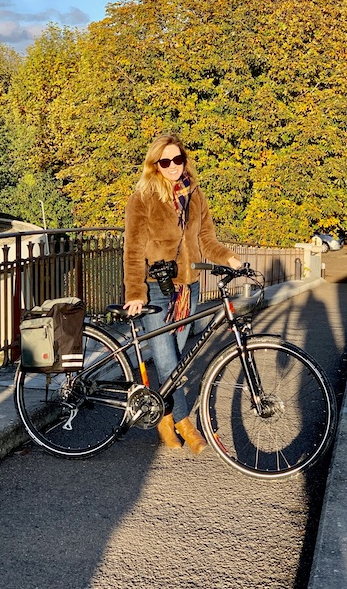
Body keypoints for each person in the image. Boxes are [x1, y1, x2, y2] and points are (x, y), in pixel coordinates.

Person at [123, 133, 242, 454]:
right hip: (156, 289)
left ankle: (165, 413)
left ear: (184, 160)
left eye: (178, 159)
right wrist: (135, 291)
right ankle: (181, 420)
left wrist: (231, 259)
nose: (173, 166)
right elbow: (133, 249)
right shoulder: (143, 197)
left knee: (175, 360)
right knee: (168, 359)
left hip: (188, 288)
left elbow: (207, 239)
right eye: (165, 161)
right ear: (155, 165)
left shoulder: (194, 195)